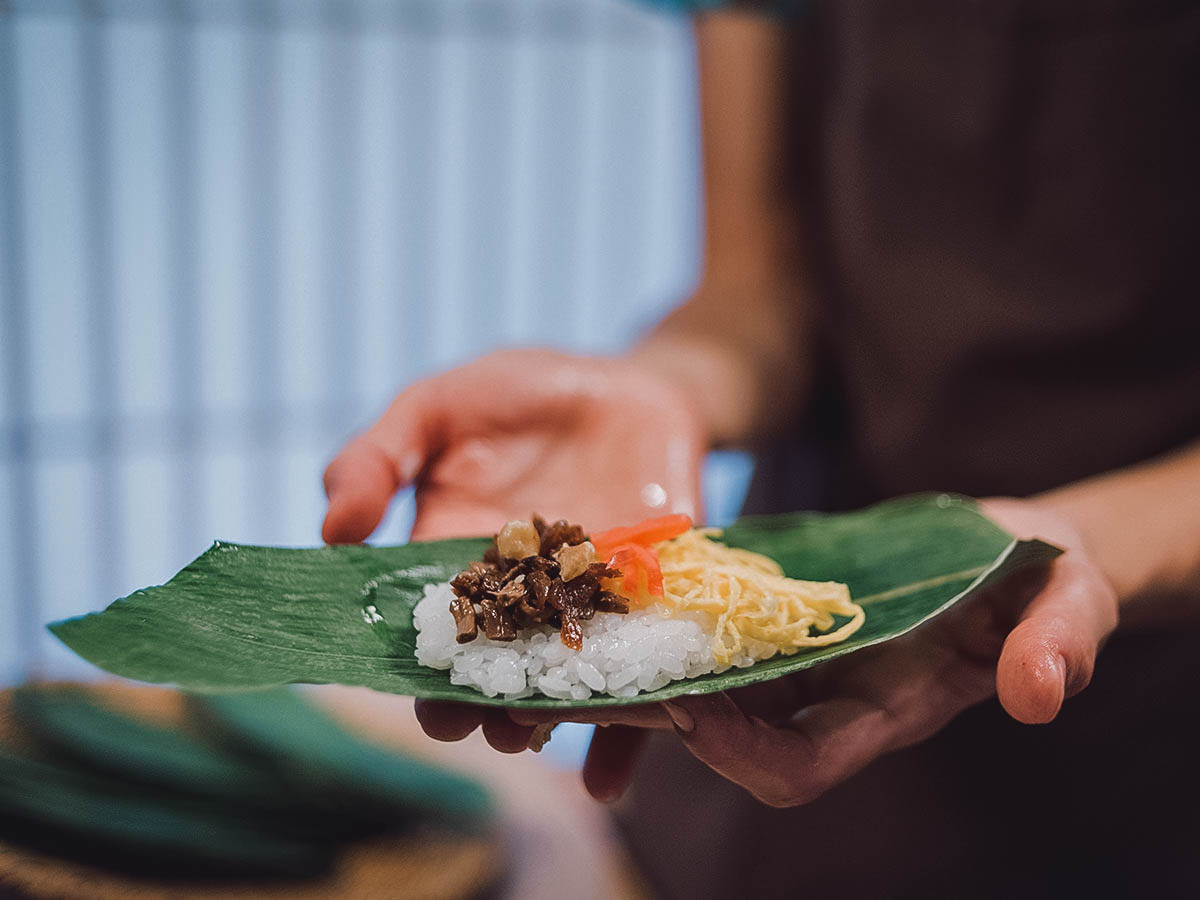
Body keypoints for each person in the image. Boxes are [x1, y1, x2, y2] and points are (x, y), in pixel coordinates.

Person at [322, 5, 1200, 896]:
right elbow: (754, 291)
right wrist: (663, 387)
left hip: (1143, 730)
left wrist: (1083, 540)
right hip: (783, 668)